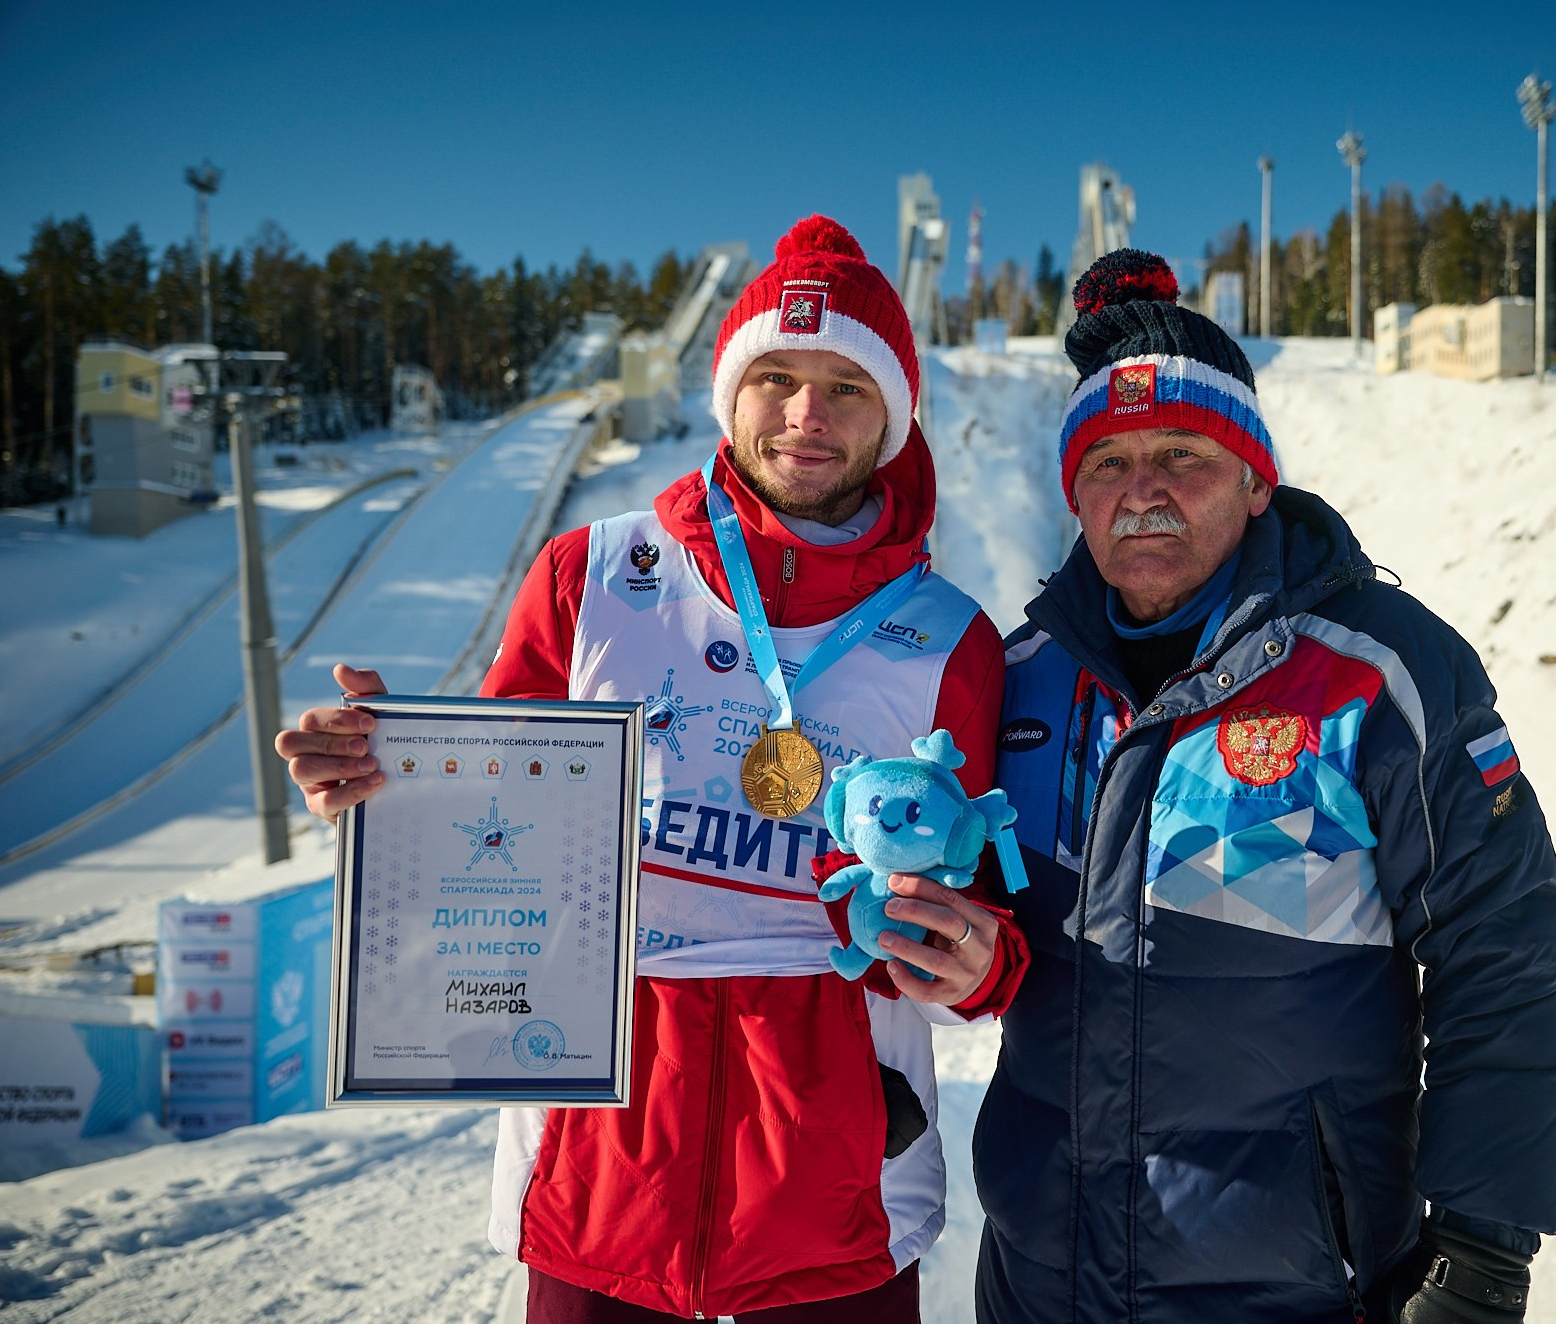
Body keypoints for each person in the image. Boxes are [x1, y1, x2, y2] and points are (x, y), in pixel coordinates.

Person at [277, 216, 1028, 1323]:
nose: (805, 416)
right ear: (727, 392)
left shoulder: (950, 639)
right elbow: (488, 808)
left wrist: (978, 961)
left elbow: (992, 917)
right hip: (598, 1169)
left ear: (895, 419)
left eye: (846, 388)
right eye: (774, 376)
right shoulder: (594, 571)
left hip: (835, 1193)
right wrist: (388, 773)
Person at [975, 250, 1556, 1324]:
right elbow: (968, 923)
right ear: (1072, 492)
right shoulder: (1018, 677)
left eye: (1181, 454)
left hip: (1298, 1291)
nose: (1142, 490)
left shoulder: (1378, 670)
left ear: (1257, 480)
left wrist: (1483, 1250)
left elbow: (1499, 950)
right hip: (1040, 1283)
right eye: (1107, 461)